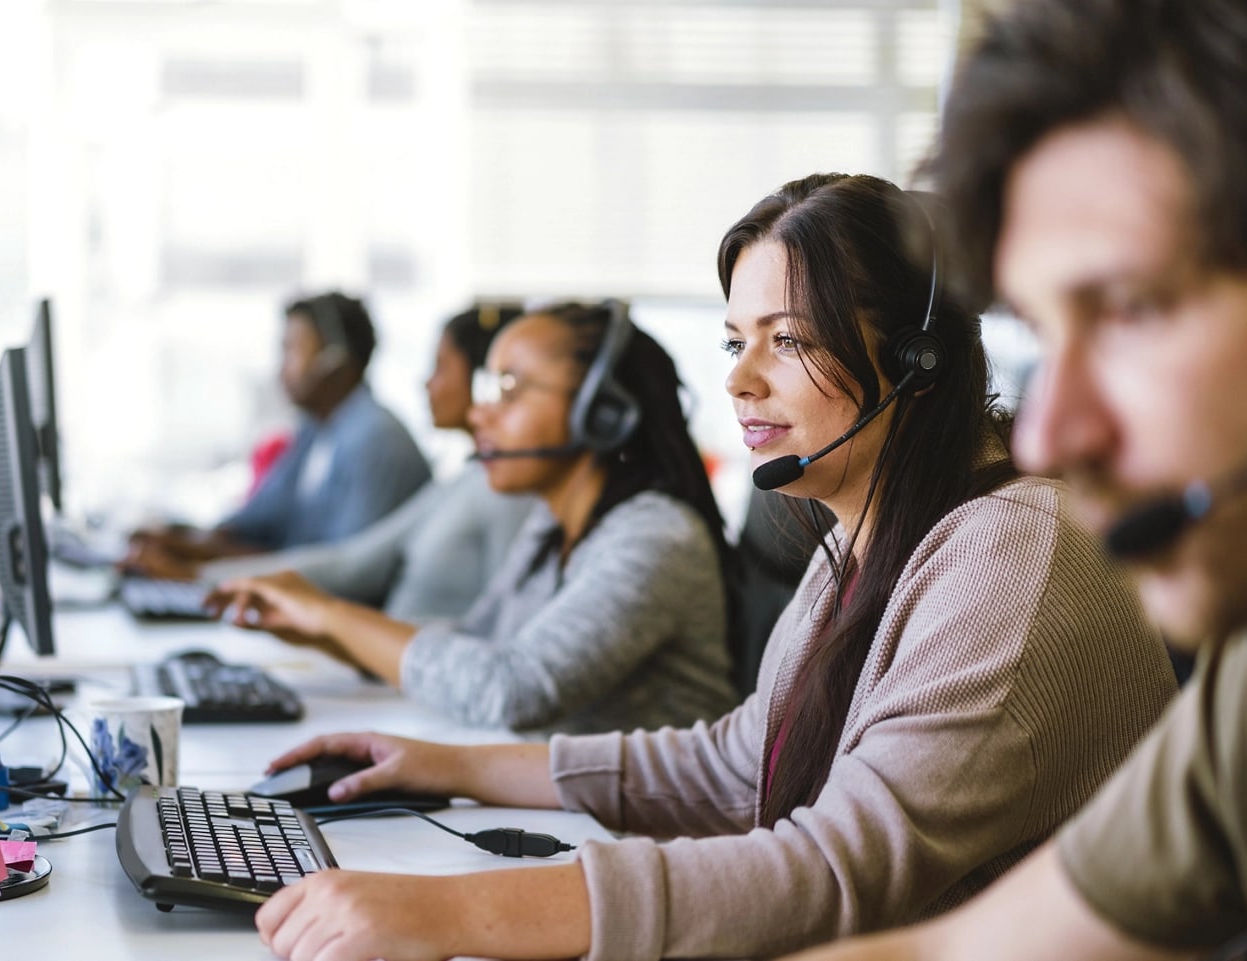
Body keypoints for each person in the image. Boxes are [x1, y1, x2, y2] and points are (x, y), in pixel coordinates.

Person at [244, 174, 1179, 961]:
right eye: (737, 341)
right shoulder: (863, 533)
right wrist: (447, 764)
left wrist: (448, 912)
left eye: (790, 338)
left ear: (916, 357)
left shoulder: (1012, 547)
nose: (739, 378)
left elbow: (836, 868)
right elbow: (739, 764)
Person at [782, 3, 1247, 961]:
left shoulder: (1010, 543)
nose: (1047, 435)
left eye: (1129, 309)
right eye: (1045, 335)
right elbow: (950, 951)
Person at [208, 301, 739, 736]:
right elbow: (475, 639)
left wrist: (332, 615)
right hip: (567, 819)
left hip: (644, 843)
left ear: (601, 412)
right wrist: (318, 631)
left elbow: (513, 689)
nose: (480, 413)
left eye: (510, 390)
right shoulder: (552, 529)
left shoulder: (655, 537)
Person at [197, 303, 536, 622]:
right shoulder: (466, 477)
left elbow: (353, 573)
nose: (426, 382)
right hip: (390, 664)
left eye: (440, 367)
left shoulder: (382, 441)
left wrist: (205, 574)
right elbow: (274, 525)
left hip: (400, 671)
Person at [124, 292, 431, 578]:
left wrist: (197, 573)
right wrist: (177, 542)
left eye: (291, 351)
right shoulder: (316, 430)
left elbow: (341, 573)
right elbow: (253, 525)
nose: (280, 368)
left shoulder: (376, 440)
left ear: (335, 360)